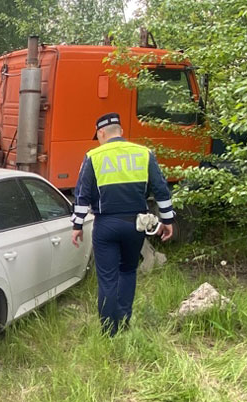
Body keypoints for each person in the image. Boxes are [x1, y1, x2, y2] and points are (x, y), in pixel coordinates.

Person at [70, 112, 175, 336]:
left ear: (101, 133)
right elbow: (161, 190)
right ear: (121, 132)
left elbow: (82, 195)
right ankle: (125, 321)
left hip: (106, 225)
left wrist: (77, 226)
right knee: (128, 272)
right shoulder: (144, 154)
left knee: (107, 278)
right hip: (135, 224)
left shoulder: (93, 156)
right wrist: (168, 220)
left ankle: (109, 331)